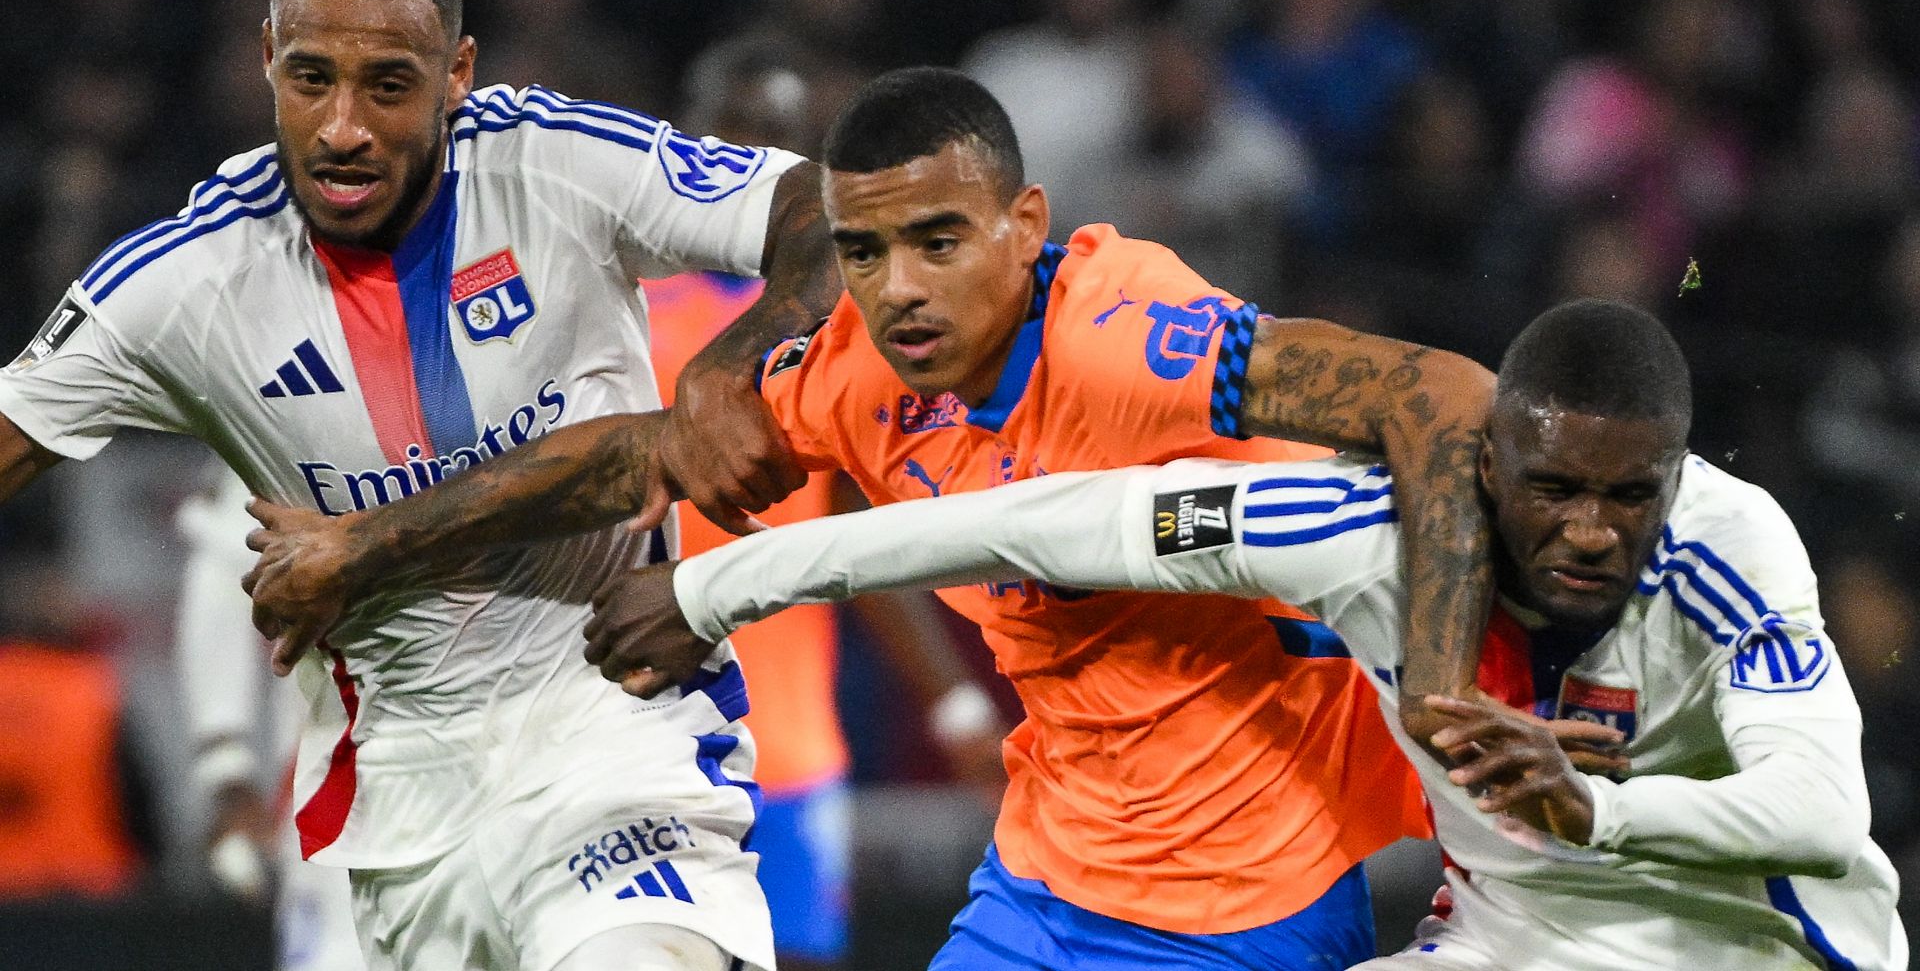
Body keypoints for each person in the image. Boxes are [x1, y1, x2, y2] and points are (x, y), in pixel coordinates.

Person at [244, 66, 1500, 968]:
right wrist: (363, 548)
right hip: (1045, 875)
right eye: (862, 251)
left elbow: (1443, 396)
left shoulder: (1130, 341)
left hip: (1250, 890)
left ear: (1026, 227)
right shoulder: (858, 371)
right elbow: (635, 461)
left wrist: (1441, 695)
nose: (897, 291)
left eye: (939, 242)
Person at [0, 0, 844, 970]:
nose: (343, 127)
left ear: (457, 72)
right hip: (396, 821)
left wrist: (736, 355)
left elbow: (819, 206)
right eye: (310, 78)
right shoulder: (185, 283)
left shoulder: (553, 163)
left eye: (389, 85)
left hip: (614, 748)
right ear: (267, 59)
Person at [604, 299, 1908, 971]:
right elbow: (1040, 525)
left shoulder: (1733, 547)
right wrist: (723, 587)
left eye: (1631, 497)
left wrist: (1600, 813)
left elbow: (1819, 805)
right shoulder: (1356, 530)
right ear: (1482, 461)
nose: (1590, 532)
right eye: (1554, 490)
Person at [644, 268, 1006, 970]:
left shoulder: (830, 331)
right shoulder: (621, 311)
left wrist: (955, 706)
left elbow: (854, 539)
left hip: (790, 760)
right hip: (643, 759)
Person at [175, 463, 363, 971]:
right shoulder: (297, 399)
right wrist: (226, 764)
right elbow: (222, 562)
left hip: (525, 745)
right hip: (344, 775)